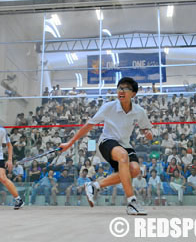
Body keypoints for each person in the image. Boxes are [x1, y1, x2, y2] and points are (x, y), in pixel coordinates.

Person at [60, 77, 153, 215]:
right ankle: (132, 202)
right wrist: (70, 142)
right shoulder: (108, 107)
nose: (121, 91)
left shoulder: (139, 112)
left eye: (126, 88)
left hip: (125, 144)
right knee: (123, 156)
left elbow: (146, 128)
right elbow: (88, 126)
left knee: (134, 170)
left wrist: (148, 133)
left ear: (133, 93)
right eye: (119, 88)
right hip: (107, 142)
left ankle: (94, 186)